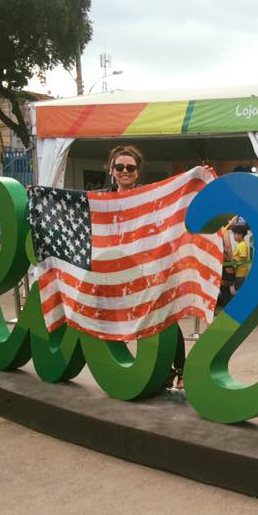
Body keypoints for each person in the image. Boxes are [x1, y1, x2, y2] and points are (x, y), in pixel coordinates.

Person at [105, 145, 187, 398]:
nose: (125, 171)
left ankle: (180, 370)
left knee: (164, 317)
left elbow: (175, 203)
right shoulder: (101, 200)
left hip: (145, 270)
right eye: (120, 167)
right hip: (114, 273)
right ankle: (150, 372)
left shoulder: (148, 197)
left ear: (137, 172)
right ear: (111, 170)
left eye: (130, 167)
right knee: (114, 320)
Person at [230, 224, 250, 291]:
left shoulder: (242, 245)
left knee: (238, 289)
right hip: (239, 272)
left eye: (235, 234)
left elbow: (242, 258)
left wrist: (233, 262)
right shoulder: (239, 244)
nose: (234, 236)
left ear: (240, 235)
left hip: (240, 273)